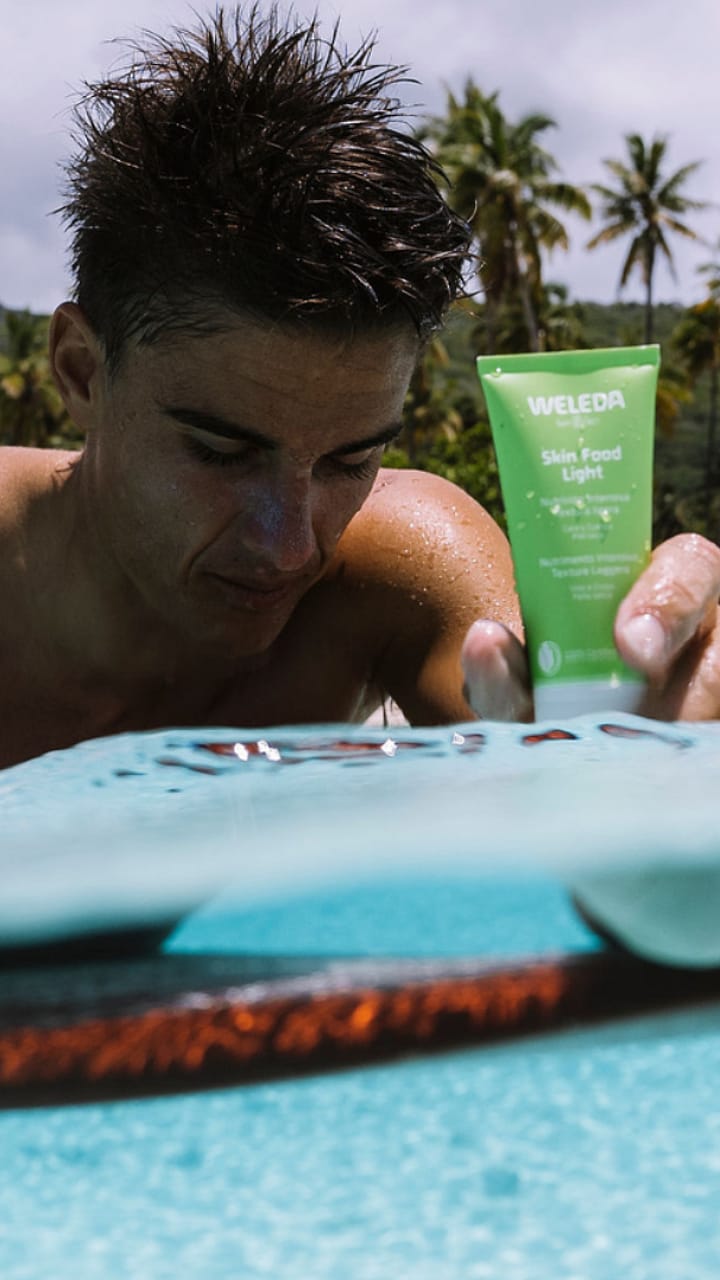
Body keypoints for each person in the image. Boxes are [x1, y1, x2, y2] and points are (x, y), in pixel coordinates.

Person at [1, 5, 719, 772]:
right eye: (220, 453)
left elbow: (552, 747)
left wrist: (662, 698)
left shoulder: (398, 572)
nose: (290, 547)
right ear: (80, 370)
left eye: (351, 464)